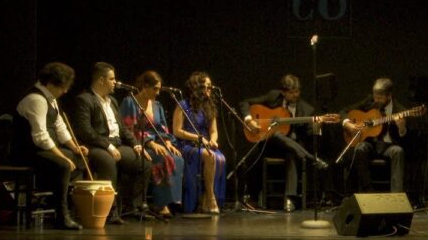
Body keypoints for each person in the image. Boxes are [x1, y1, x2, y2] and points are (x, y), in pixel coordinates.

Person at [71, 62, 152, 224]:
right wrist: (108, 146)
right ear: (101, 80)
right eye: (112, 79)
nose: (115, 82)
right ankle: (110, 213)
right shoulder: (84, 100)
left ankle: (132, 207)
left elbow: (122, 128)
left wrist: (135, 144)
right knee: (108, 162)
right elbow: (85, 131)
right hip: (96, 145)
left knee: (144, 162)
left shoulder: (112, 101)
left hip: (117, 144)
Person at [239, 74, 330, 212]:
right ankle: (312, 159)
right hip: (269, 145)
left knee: (291, 153)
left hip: (292, 148)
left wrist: (317, 126)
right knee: (275, 134)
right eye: (292, 92)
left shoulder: (307, 109)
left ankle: (289, 199)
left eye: (297, 91)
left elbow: (310, 135)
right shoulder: (273, 96)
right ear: (283, 92)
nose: (295, 95)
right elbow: (245, 103)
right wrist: (249, 120)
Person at [14, 62, 87, 230]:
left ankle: (55, 200)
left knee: (80, 159)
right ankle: (61, 216)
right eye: (63, 87)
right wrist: (61, 156)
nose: (66, 91)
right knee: (63, 165)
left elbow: (60, 127)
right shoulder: (36, 99)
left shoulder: (51, 99)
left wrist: (75, 148)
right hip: (28, 151)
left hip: (42, 150)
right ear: (51, 84)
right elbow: (40, 137)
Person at [119, 70, 185, 219]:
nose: (157, 93)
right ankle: (161, 204)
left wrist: (167, 142)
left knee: (177, 157)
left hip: (157, 143)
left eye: (159, 89)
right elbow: (128, 128)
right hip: (138, 144)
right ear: (145, 86)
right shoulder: (130, 102)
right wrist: (150, 143)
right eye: (154, 89)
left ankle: (170, 200)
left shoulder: (157, 106)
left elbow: (162, 128)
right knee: (163, 159)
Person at [172, 71, 226, 213]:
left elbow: (213, 131)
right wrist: (198, 138)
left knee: (221, 158)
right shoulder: (183, 105)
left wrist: (213, 140)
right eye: (206, 87)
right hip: (187, 144)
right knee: (210, 156)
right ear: (197, 88)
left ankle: (204, 197)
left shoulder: (210, 107)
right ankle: (210, 197)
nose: (209, 90)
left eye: (210, 87)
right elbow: (177, 131)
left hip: (205, 143)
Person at [341, 78, 407, 193]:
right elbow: (343, 111)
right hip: (371, 143)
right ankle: (367, 193)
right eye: (375, 97)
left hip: (389, 146)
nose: (376, 101)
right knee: (360, 148)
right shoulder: (369, 101)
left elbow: (406, 137)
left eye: (380, 98)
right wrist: (348, 124)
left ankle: (397, 197)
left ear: (389, 96)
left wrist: (401, 128)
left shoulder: (399, 110)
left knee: (399, 151)